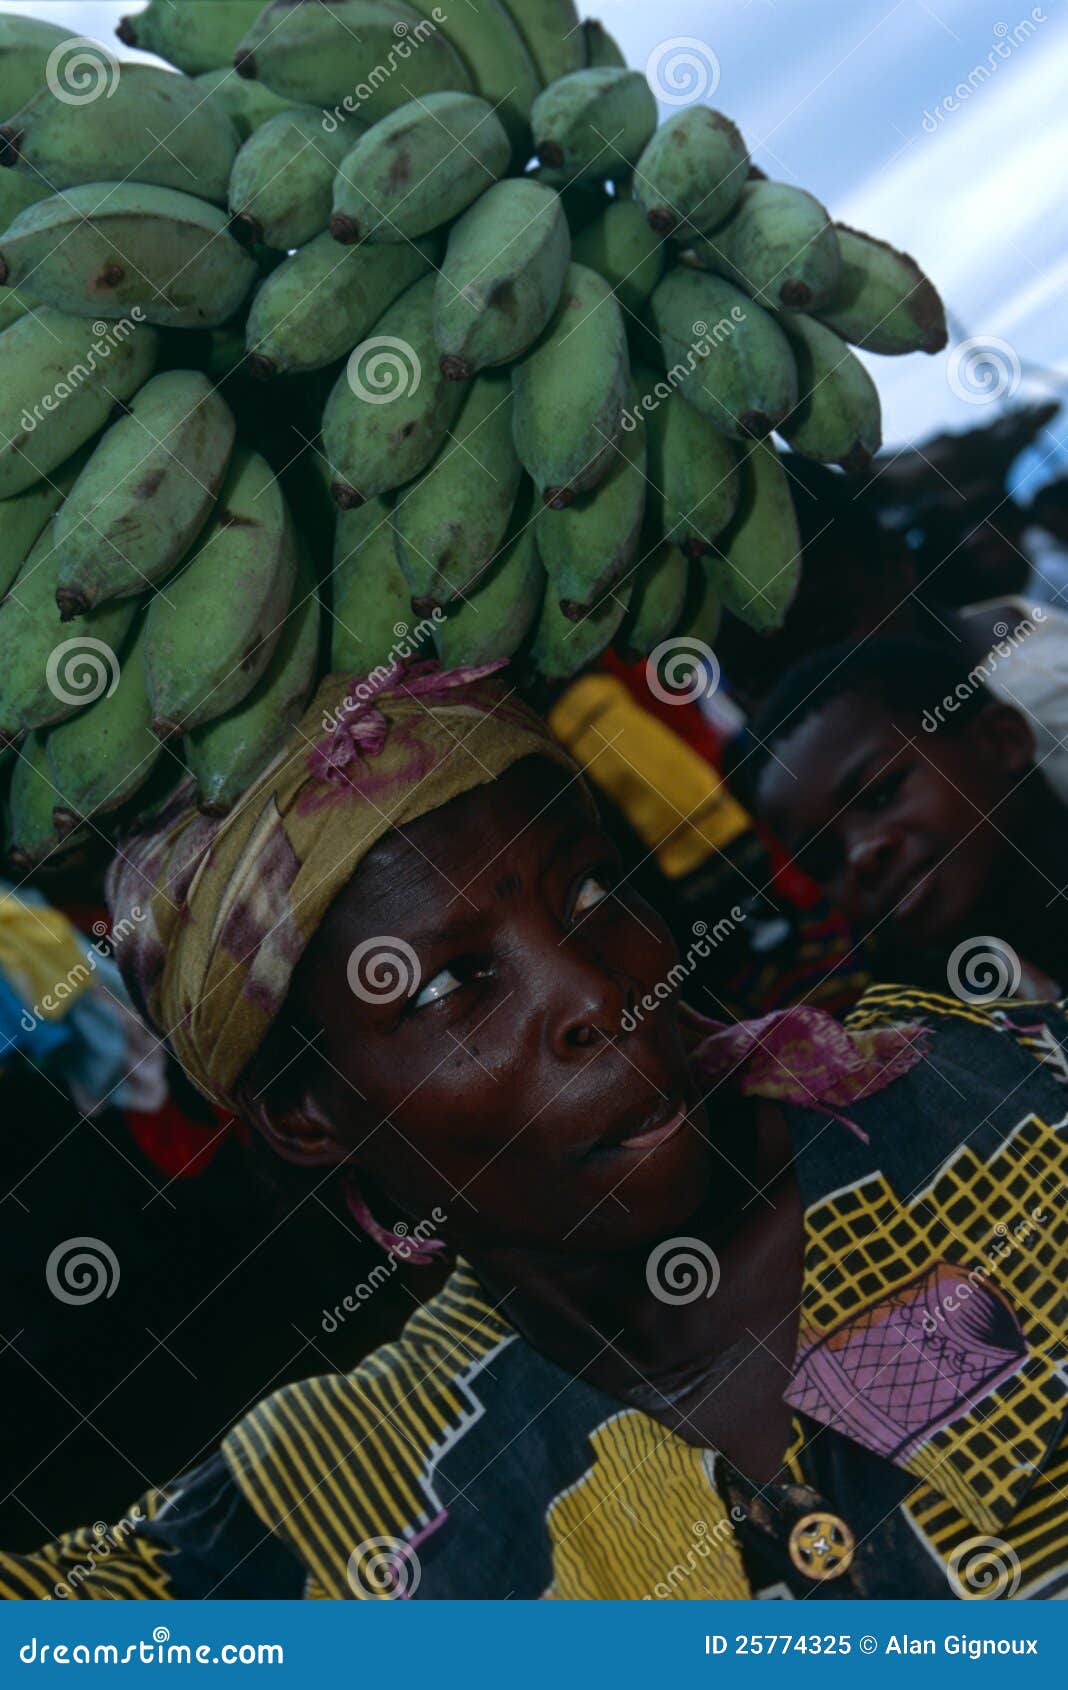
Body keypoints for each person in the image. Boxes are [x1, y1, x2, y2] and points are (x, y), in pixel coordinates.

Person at [3, 660, 1068, 1602]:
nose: (599, 992)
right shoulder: (332, 1499)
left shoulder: (996, 1093)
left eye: (592, 890)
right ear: (304, 1115)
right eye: (452, 984)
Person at [743, 635, 1068, 999]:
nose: (860, 854)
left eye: (882, 793)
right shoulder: (933, 1040)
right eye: (824, 860)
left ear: (1001, 741)